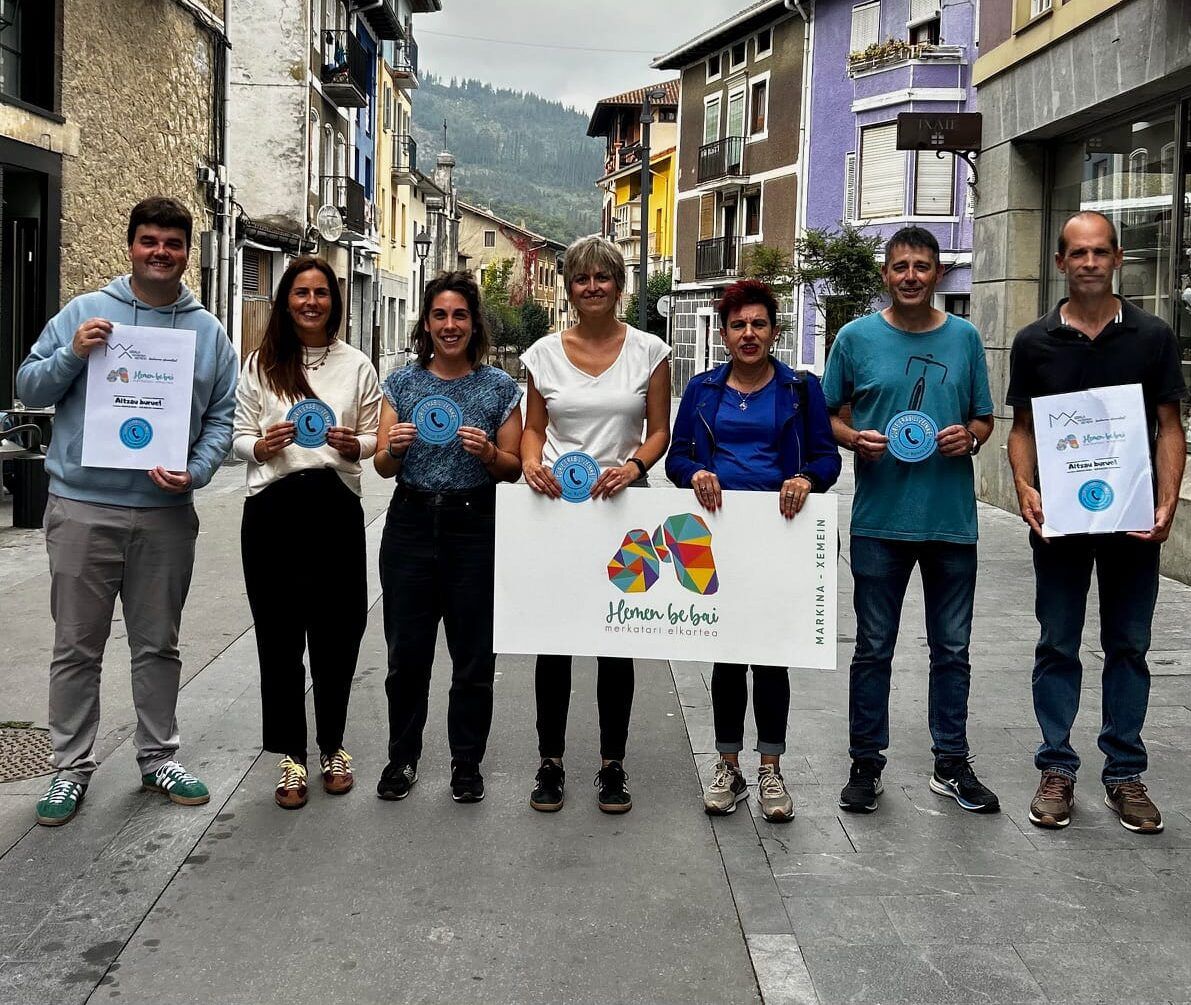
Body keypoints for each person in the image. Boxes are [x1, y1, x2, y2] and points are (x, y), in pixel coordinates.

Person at [17, 196, 238, 826]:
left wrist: (195, 471)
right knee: (76, 647)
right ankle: (69, 769)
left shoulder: (207, 332)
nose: (160, 253)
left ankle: (156, 756)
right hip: (83, 507)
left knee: (157, 645)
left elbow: (221, 418)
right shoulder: (84, 313)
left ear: (187, 252)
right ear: (132, 246)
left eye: (172, 243)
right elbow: (27, 388)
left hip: (165, 513)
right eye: (149, 242)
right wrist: (71, 355)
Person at [1007, 211, 1186, 834]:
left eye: (1100, 253)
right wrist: (1026, 488)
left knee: (1128, 647)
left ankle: (1124, 774)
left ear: (1117, 260)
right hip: (1059, 523)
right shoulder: (1034, 342)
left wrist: (1168, 501)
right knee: (1057, 643)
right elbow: (1023, 430)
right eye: (1077, 253)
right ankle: (1056, 767)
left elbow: (1169, 425)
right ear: (1060, 262)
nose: (1089, 263)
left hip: (1132, 522)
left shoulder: (1152, 335)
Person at [822, 225, 999, 816]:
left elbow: (983, 418)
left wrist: (967, 438)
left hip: (951, 523)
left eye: (922, 267)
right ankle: (865, 763)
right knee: (873, 648)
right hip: (879, 522)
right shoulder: (854, 338)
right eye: (900, 267)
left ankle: (951, 762)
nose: (911, 277)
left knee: (953, 649)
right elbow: (828, 418)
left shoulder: (966, 338)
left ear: (939, 274)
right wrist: (856, 440)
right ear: (885, 275)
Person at [666, 279, 840, 821]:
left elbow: (827, 458)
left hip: (780, 538)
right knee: (726, 655)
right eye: (738, 325)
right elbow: (675, 459)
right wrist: (695, 472)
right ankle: (728, 765)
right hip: (718, 539)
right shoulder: (702, 390)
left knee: (771, 658)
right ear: (723, 334)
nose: (748, 334)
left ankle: (770, 769)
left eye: (759, 324)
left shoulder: (800, 389)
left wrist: (807, 479)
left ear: (774, 331)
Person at [520, 236, 671, 814]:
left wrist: (634, 467)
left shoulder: (650, 352)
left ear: (619, 286)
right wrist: (533, 462)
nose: (592, 287)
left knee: (617, 641)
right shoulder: (542, 355)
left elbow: (659, 430)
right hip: (557, 509)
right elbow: (535, 428)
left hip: (623, 511)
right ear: (570, 287)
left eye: (602, 278)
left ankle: (613, 766)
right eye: (581, 278)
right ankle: (550, 763)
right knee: (554, 641)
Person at [232, 255, 381, 809]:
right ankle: (290, 756)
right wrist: (260, 446)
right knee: (278, 634)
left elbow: (372, 437)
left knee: (339, 633)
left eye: (321, 292)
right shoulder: (260, 364)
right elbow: (237, 435)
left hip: (335, 505)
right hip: (273, 507)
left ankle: (333, 746)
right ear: (285, 300)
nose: (311, 302)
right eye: (301, 293)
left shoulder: (357, 366)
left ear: (333, 301)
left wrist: (355, 446)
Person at [375, 271, 522, 804]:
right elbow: (383, 466)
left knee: (473, 655)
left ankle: (466, 764)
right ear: (426, 322)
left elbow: (512, 468)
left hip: (473, 526)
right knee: (406, 655)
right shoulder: (403, 383)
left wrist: (488, 454)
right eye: (440, 315)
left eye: (460, 315)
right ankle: (402, 758)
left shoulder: (499, 388)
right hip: (411, 522)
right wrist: (393, 445)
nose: (450, 325)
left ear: (473, 323)